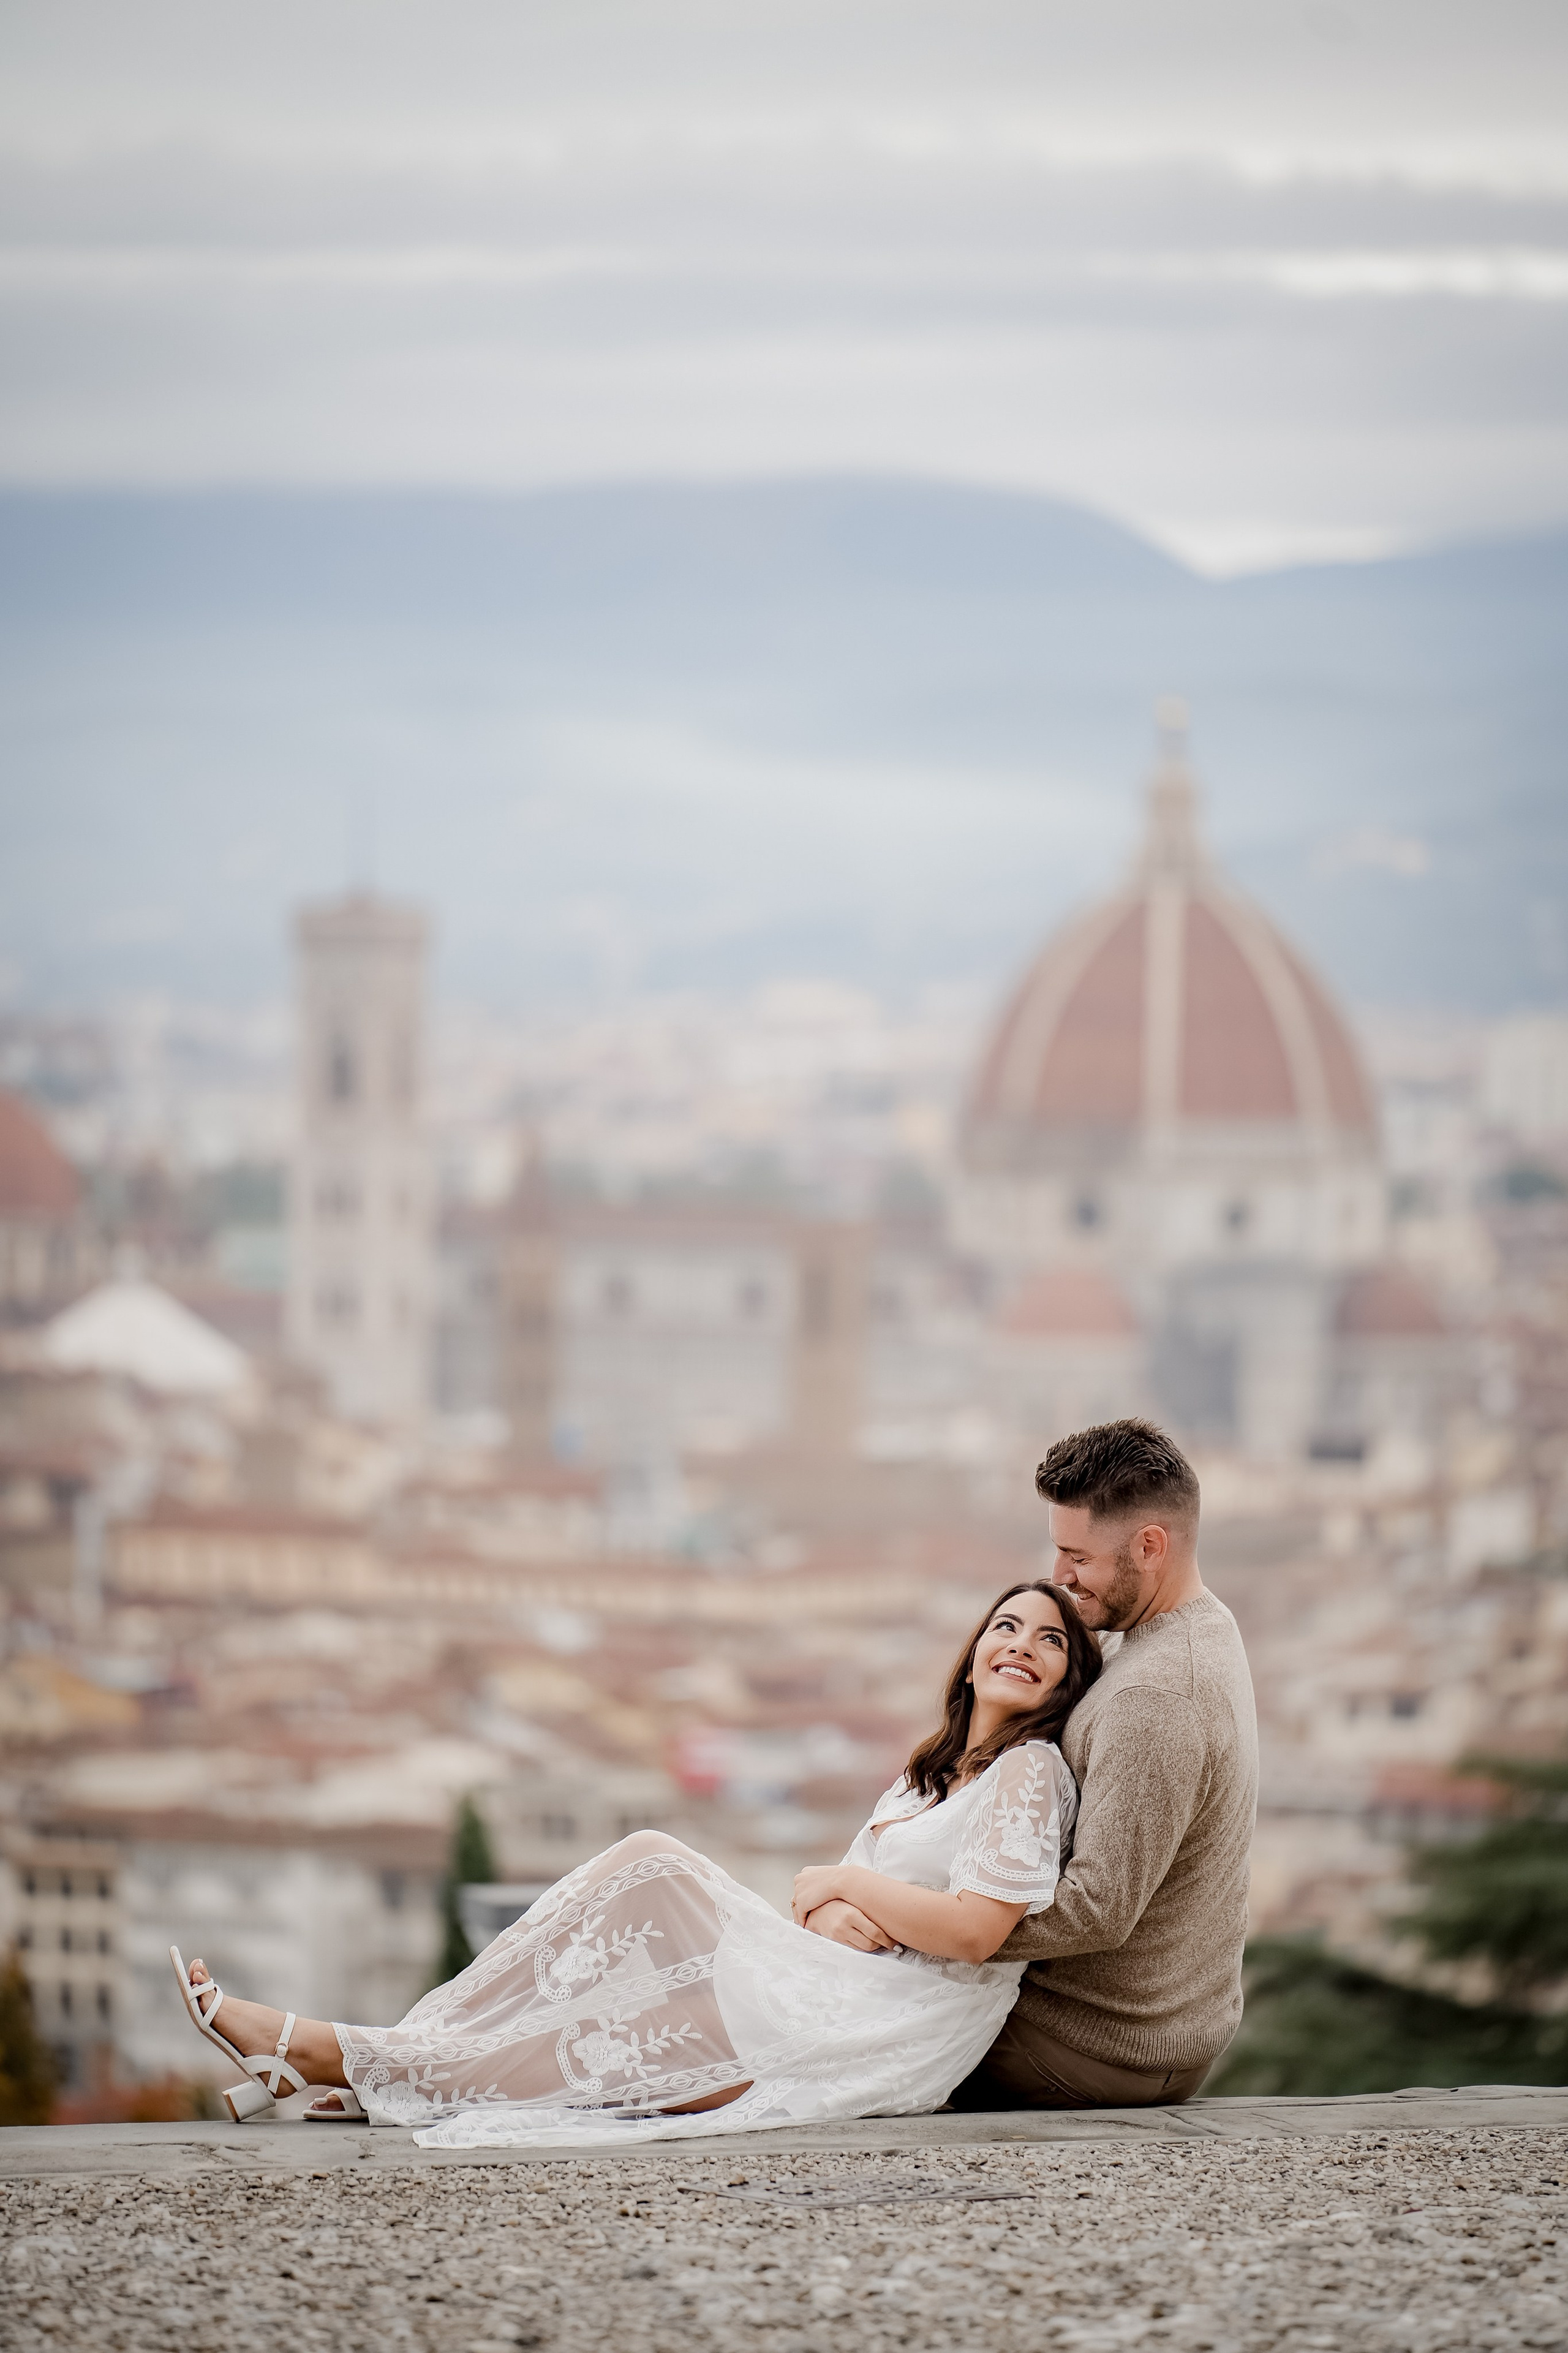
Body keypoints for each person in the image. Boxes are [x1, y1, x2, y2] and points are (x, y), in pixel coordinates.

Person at [171, 1579, 1100, 2147]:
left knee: (655, 1869)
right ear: (976, 1649)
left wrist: (843, 1885)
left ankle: (326, 2050)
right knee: (631, 2018)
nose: (1023, 1644)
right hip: (846, 1981)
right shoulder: (925, 1775)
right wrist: (826, 1910)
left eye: (1050, 1640)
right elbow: (844, 1910)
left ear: (1063, 1683)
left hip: (899, 2026)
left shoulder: (1028, 1774)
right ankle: (361, 2067)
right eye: (1008, 1626)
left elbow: (979, 1932)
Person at [949, 1417, 1258, 2113]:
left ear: (1150, 1547)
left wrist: (918, 1930)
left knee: (820, 2023)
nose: (1058, 1576)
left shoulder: (1156, 1693)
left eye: (1077, 1557)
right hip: (1144, 2029)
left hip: (1096, 2047)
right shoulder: (1191, 1626)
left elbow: (1098, 1911)